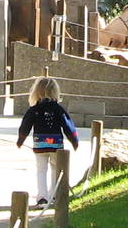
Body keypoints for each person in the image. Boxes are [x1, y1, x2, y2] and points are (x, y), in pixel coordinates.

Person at [16, 76, 80, 207]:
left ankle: (42, 197)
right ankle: (54, 195)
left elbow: (25, 124)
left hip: (40, 144)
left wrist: (20, 140)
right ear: (55, 91)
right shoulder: (58, 109)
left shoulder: (34, 109)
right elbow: (68, 125)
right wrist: (74, 140)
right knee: (55, 169)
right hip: (56, 144)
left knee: (41, 170)